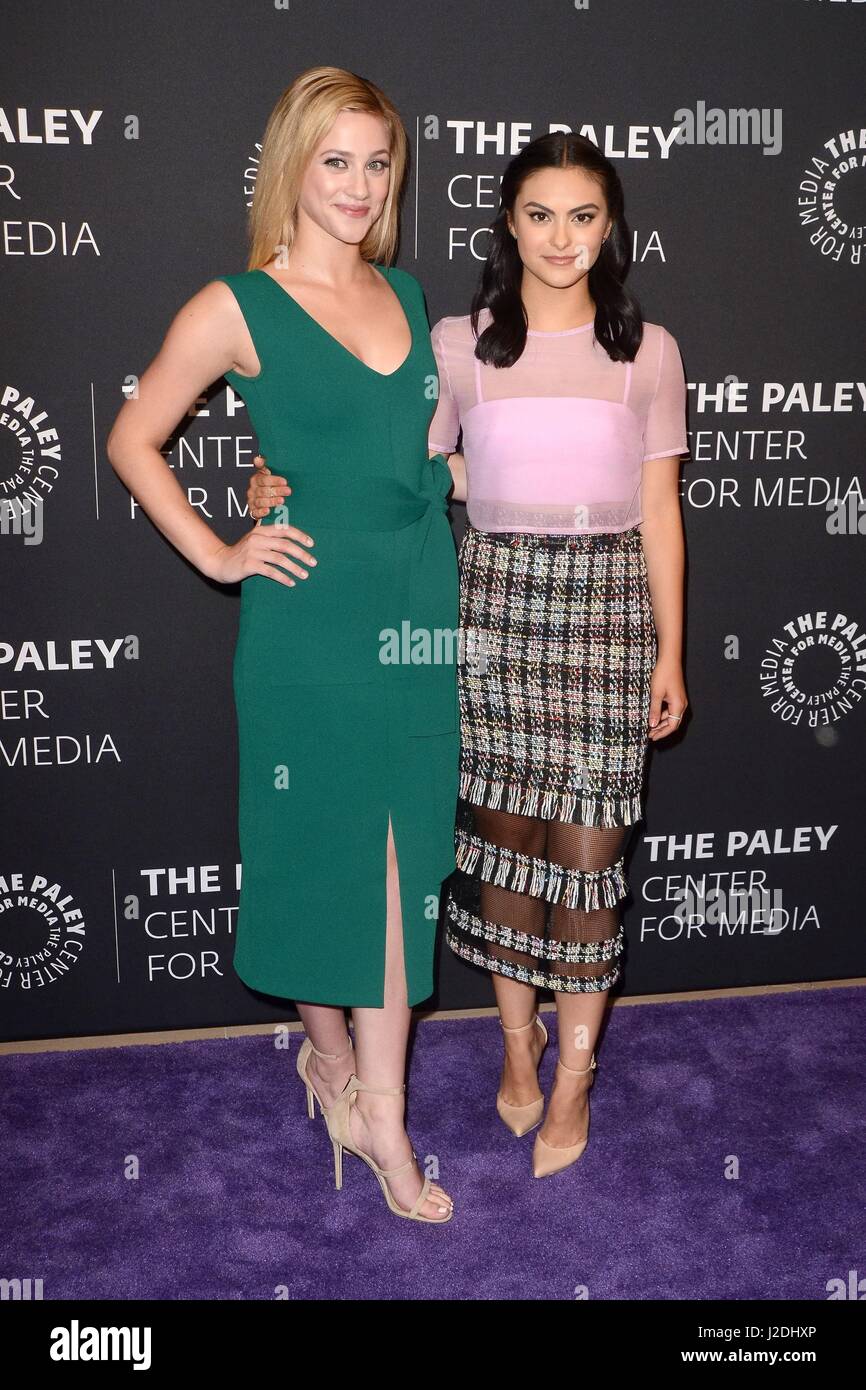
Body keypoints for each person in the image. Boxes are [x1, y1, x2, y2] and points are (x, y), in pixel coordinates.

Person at [247, 131, 689, 1179]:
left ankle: (574, 1076)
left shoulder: (650, 350)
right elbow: (385, 455)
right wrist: (275, 481)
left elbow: (662, 512)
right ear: (506, 224)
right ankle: (516, 1046)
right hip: (486, 608)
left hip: (606, 611)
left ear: (609, 227)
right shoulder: (456, 341)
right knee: (499, 857)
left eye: (583, 217)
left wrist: (671, 651)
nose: (560, 238)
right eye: (539, 215)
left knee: (588, 861)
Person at [106, 66, 458, 1223]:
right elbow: (132, 439)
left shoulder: (408, 296)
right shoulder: (234, 305)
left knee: (403, 869)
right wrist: (219, 552)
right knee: (322, 861)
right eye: (336, 161)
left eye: (377, 162)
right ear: (292, 169)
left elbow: (408, 456)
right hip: (307, 626)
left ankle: (380, 1113)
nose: (359, 186)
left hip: (416, 612)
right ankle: (338, 1077)